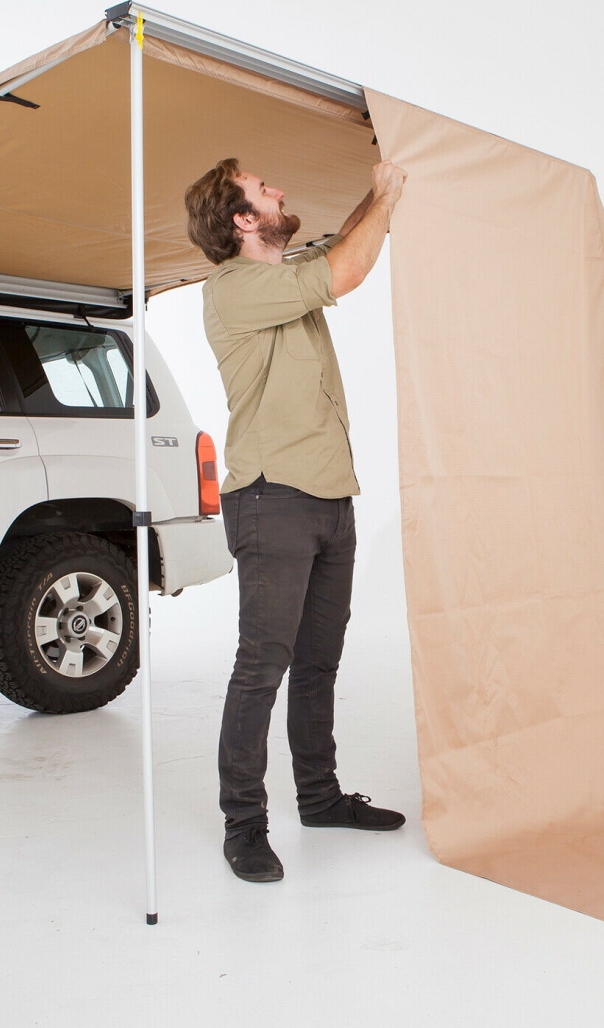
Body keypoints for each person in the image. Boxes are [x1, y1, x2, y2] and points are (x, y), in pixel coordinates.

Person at [184, 157, 408, 883]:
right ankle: (244, 827)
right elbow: (349, 269)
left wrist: (380, 190)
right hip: (271, 499)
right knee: (262, 668)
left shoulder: (285, 274)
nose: (279, 189)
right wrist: (389, 192)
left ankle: (320, 797)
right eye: (263, 189)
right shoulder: (234, 287)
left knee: (318, 663)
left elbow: (344, 245)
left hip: (329, 498)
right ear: (243, 220)